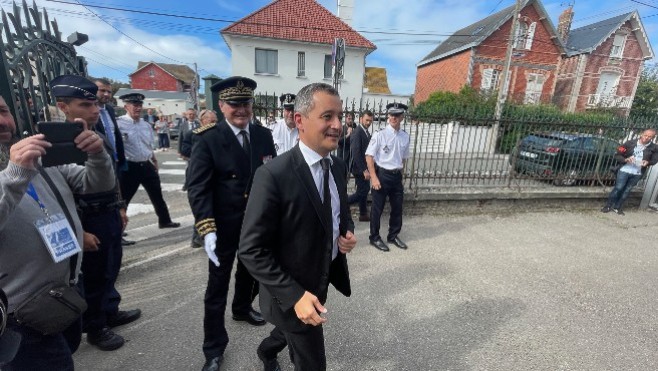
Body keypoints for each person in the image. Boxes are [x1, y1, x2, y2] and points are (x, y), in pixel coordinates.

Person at [239, 82, 357, 371]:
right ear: (301, 121)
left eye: (340, 116)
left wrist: (346, 232)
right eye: (327, 116)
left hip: (321, 278)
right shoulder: (273, 175)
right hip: (291, 292)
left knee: (288, 331)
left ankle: (267, 350)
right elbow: (251, 250)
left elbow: (337, 210)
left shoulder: (338, 166)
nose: (338, 125)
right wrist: (295, 296)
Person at [0, 88, 115, 369]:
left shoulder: (35, 157)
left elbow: (95, 184)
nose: (2, 121)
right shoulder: (19, 164)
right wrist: (15, 173)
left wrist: (97, 154)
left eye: (3, 111)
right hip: (22, 317)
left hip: (64, 297)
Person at [186, 76, 277, 371]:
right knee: (216, 287)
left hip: (255, 223)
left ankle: (241, 309)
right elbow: (198, 188)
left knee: (250, 273)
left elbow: (270, 179)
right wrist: (206, 229)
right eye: (234, 104)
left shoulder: (263, 136)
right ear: (222, 105)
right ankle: (213, 348)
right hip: (222, 225)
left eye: (246, 103)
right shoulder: (208, 138)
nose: (241, 109)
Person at [52, 75, 141, 351]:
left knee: (110, 267)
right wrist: (80, 231)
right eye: (84, 105)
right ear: (63, 107)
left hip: (109, 212)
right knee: (92, 275)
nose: (94, 110)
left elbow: (110, 175)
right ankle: (95, 326)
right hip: (87, 218)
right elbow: (61, 194)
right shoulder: (59, 142)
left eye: (95, 104)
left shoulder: (95, 133)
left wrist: (121, 205)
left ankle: (109, 310)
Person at [116, 93, 180, 229]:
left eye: (140, 105)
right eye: (135, 105)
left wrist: (154, 161)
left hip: (146, 164)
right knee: (124, 200)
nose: (138, 108)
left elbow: (148, 145)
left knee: (157, 195)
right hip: (129, 167)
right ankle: (119, 230)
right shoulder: (119, 124)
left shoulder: (145, 125)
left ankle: (165, 221)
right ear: (126, 106)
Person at [94, 78, 134, 249]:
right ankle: (112, 233)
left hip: (115, 161)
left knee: (118, 198)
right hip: (100, 163)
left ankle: (118, 231)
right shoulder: (90, 112)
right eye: (102, 90)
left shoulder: (109, 110)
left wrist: (121, 158)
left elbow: (115, 136)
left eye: (108, 91)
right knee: (107, 200)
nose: (106, 94)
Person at [366, 102, 410, 252]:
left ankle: (393, 235)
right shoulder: (380, 134)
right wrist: (374, 177)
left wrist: (401, 176)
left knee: (397, 208)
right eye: (391, 114)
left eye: (396, 115)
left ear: (402, 117)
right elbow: (369, 156)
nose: (393, 117)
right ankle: (374, 237)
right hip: (382, 175)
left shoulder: (405, 137)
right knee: (377, 210)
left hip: (396, 177)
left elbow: (403, 159)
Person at [183, 109, 217, 249]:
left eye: (216, 121)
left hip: (212, 175)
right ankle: (199, 237)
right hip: (197, 171)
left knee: (208, 207)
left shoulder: (217, 135)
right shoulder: (193, 134)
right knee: (201, 205)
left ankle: (197, 238)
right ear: (203, 121)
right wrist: (201, 152)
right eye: (212, 121)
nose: (215, 124)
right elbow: (183, 149)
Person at [602, 129, 658, 215]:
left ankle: (617, 207)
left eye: (649, 136)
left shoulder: (654, 148)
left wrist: (648, 163)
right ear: (642, 134)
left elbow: (654, 160)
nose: (646, 137)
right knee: (619, 188)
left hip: (637, 173)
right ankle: (608, 206)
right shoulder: (629, 143)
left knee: (627, 190)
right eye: (645, 135)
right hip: (624, 170)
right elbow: (617, 154)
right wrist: (625, 159)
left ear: (652, 138)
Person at [348, 110, 374, 222]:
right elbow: (356, 153)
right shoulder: (357, 132)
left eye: (370, 121)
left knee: (363, 190)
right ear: (361, 119)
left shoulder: (366, 132)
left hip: (365, 167)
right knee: (363, 191)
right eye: (367, 120)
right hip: (359, 168)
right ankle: (343, 203)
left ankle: (363, 214)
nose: (368, 123)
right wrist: (364, 170)